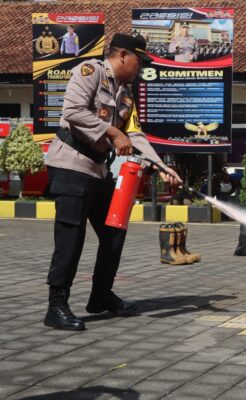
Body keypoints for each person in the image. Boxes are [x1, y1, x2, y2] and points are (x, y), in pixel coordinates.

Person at [43, 33, 182, 331]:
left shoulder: (126, 93)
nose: (141, 68)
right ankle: (56, 305)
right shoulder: (89, 72)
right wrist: (112, 132)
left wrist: (160, 167)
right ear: (122, 56)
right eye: (139, 61)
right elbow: (72, 111)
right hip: (69, 165)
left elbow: (134, 135)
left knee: (113, 232)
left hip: (97, 170)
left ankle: (101, 295)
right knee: (72, 237)